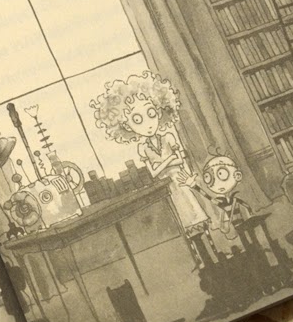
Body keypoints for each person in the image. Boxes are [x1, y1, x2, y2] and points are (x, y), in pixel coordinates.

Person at [90, 71, 213, 263]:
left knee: (199, 220)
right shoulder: (143, 147)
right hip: (168, 189)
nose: (148, 123)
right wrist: (169, 160)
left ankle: (214, 252)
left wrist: (171, 165)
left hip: (181, 182)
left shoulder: (168, 136)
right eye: (137, 120)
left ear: (159, 110)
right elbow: (155, 172)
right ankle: (200, 261)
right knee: (185, 227)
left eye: (151, 113)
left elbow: (180, 161)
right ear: (126, 126)